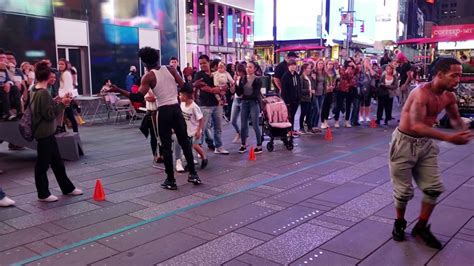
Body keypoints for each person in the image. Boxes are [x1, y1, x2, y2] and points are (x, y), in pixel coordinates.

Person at [390, 58, 472, 249]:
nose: (458, 80)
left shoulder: (448, 96)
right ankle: (399, 222)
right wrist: (450, 138)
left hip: (426, 145)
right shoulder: (420, 94)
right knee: (403, 192)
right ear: (439, 75)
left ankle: (421, 226)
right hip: (404, 142)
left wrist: (462, 129)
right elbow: (416, 125)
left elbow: (455, 119)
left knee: (433, 188)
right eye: (454, 75)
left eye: (460, 75)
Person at [108, 47, 201, 190]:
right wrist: (194, 84)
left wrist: (117, 89)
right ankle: (193, 174)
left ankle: (171, 180)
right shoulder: (170, 69)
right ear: (157, 58)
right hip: (176, 109)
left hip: (163, 111)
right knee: (184, 142)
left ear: (144, 63)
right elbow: (184, 87)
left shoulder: (148, 76)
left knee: (166, 146)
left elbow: (138, 97)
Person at [30, 61, 83, 202]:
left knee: (57, 163)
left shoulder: (34, 89)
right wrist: (62, 104)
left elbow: (41, 109)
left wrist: (55, 101)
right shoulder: (43, 93)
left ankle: (67, 188)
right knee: (42, 165)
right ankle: (43, 194)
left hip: (45, 132)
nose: (53, 78)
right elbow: (49, 114)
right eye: (51, 76)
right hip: (45, 132)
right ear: (47, 76)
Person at [194, 55, 230, 155]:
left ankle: (218, 146)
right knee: (202, 128)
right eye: (200, 63)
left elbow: (225, 84)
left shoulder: (216, 73)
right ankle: (198, 147)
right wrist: (214, 90)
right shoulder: (198, 75)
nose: (202, 65)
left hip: (217, 104)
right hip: (205, 104)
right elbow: (203, 87)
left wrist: (222, 88)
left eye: (204, 63)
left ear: (209, 62)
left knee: (218, 127)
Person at [174, 85, 208, 170]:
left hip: (194, 130)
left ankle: (204, 157)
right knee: (188, 147)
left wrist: (199, 130)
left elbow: (201, 119)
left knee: (195, 145)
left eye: (180, 95)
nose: (179, 96)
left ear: (185, 96)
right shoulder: (182, 104)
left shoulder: (194, 106)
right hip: (186, 130)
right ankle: (190, 162)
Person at [236, 61, 263, 154]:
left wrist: (244, 95)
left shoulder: (258, 79)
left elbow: (255, 94)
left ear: (255, 69)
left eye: (250, 67)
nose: (248, 69)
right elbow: (239, 93)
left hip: (253, 103)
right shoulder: (242, 78)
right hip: (244, 103)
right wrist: (235, 84)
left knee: (255, 125)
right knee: (243, 125)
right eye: (247, 67)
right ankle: (243, 145)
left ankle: (259, 145)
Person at [281, 59, 301, 135]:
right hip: (289, 100)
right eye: (291, 65)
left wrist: (299, 97)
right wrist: (287, 101)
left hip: (296, 99)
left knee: (293, 116)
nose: (293, 66)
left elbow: (298, 86)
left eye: (294, 65)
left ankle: (291, 130)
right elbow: (284, 90)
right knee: (289, 116)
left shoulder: (296, 75)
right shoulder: (285, 76)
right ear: (288, 66)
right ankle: (288, 131)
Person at [58, 58, 78, 133]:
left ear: (66, 65)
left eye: (62, 64)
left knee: (70, 117)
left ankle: (75, 134)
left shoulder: (66, 74)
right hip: (64, 98)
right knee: (66, 117)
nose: (60, 65)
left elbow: (68, 87)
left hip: (65, 99)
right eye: (59, 64)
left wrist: (65, 98)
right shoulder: (63, 73)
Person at [299, 63, 314, 134]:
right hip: (304, 98)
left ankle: (309, 127)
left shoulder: (309, 77)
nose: (310, 69)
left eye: (310, 68)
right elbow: (300, 89)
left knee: (309, 113)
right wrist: (308, 90)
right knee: (303, 113)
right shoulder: (301, 77)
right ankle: (301, 127)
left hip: (310, 97)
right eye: (308, 68)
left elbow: (311, 86)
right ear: (304, 69)